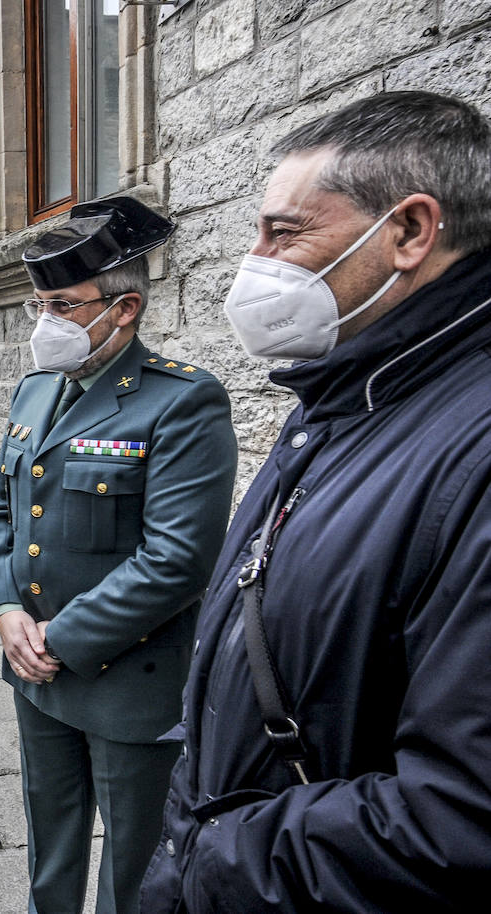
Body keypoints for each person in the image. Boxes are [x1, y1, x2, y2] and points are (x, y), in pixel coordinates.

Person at [140, 91, 491, 914]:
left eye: (284, 232)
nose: (255, 260)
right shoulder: (348, 390)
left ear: (409, 232)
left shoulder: (468, 439)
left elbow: (460, 818)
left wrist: (211, 856)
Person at [0, 196, 237, 914]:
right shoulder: (34, 393)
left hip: (131, 683)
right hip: (36, 675)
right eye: (38, 306)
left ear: (123, 310)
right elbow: (2, 508)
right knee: (49, 854)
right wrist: (3, 610)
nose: (44, 325)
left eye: (62, 306)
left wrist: (56, 639)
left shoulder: (181, 402)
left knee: (133, 870)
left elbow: (178, 561)